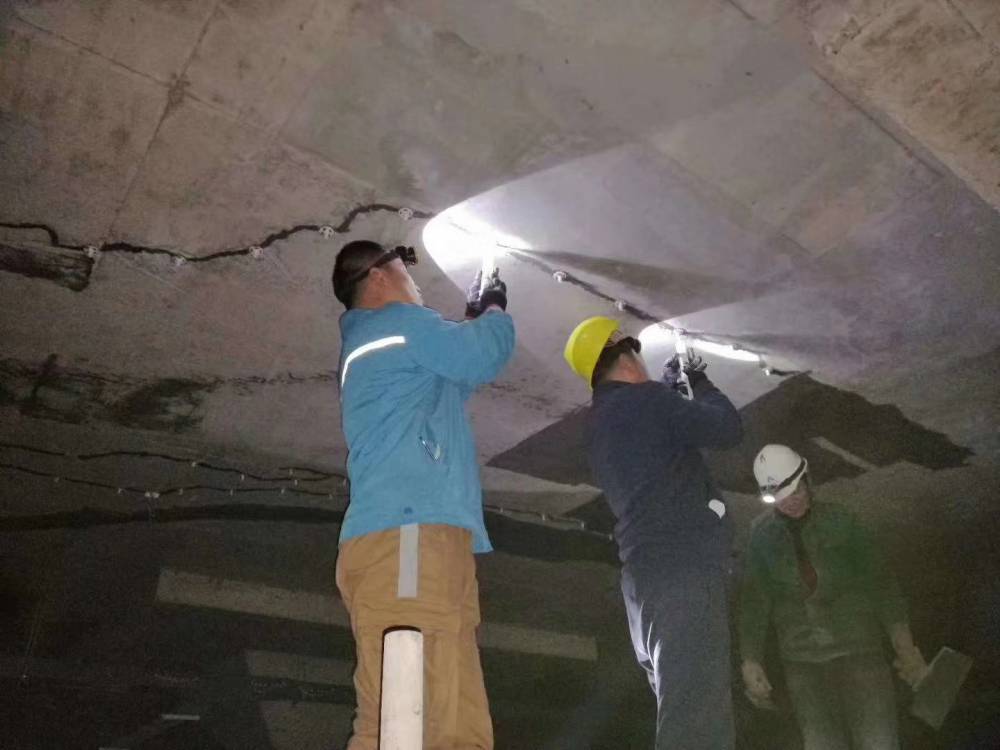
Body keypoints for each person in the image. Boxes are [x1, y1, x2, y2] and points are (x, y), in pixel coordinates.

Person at [331, 240, 514, 750]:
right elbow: (480, 356)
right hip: (407, 535)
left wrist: (474, 319)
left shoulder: (382, 343)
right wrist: (493, 308)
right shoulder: (395, 324)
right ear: (378, 276)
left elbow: (455, 376)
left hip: (415, 539)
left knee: (444, 716)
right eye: (406, 273)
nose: (416, 285)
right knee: (403, 713)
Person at [563, 317, 743, 749]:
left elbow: (656, 443)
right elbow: (727, 429)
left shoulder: (599, 424)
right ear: (627, 358)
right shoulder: (648, 401)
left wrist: (666, 394)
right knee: (697, 715)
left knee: (678, 701)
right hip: (682, 573)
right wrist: (698, 381)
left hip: (643, 586)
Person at [739, 444, 929, 750]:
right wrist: (751, 661)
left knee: (878, 742)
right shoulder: (762, 538)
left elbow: (881, 583)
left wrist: (904, 645)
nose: (791, 502)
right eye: (781, 498)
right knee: (821, 744)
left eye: (796, 491)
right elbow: (754, 603)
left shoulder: (842, 521)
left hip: (859, 651)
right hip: (802, 663)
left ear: (807, 480)